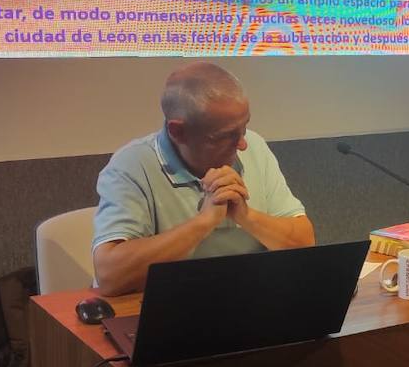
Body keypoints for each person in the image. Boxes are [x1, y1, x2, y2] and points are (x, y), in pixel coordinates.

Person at [92, 62, 315, 295]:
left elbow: (304, 243)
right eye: (225, 136)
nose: (242, 143)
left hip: (244, 303)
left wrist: (246, 216)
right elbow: (111, 276)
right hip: (167, 310)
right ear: (178, 132)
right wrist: (204, 222)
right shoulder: (131, 164)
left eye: (244, 128)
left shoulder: (255, 148)